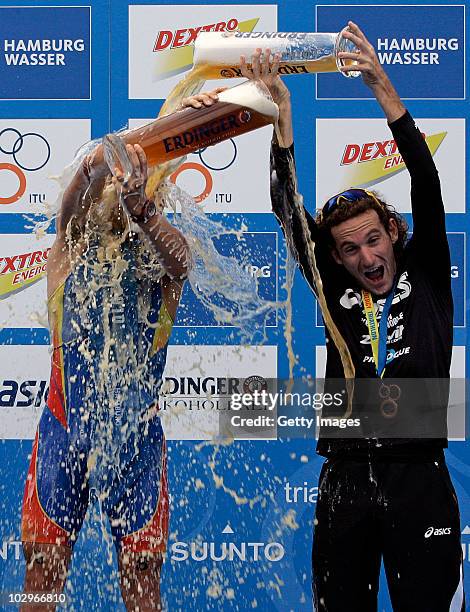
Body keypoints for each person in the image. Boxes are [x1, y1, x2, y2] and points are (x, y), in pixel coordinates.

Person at [239, 21, 464, 612]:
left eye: (373, 240)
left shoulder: (430, 275)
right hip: (344, 481)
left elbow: (427, 180)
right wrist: (281, 126)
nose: (367, 257)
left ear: (392, 233)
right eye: (349, 249)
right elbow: (289, 212)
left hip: (418, 478)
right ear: (336, 258)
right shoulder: (334, 287)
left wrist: (383, 90)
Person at [18, 94, 213, 611]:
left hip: (138, 447)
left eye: (136, 195)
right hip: (63, 436)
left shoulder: (162, 266)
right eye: (114, 191)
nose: (119, 199)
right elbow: (74, 201)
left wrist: (145, 205)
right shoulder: (69, 250)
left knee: (143, 590)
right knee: (38, 583)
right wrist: (103, 160)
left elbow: (180, 263)